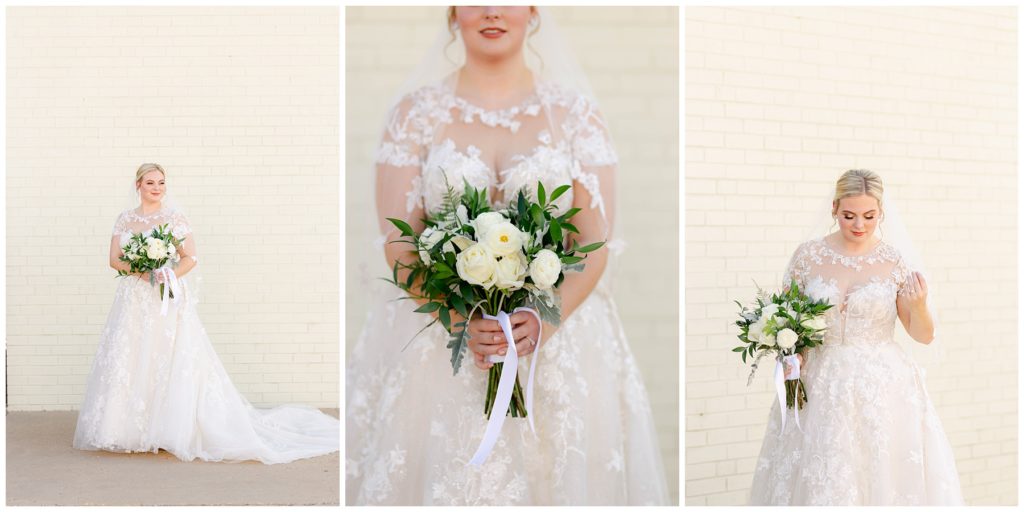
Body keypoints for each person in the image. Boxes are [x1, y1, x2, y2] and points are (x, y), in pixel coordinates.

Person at [346, 6, 669, 506]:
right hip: (440, 340)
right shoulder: (415, 115)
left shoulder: (575, 115)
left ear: (534, 10)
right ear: (453, 11)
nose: (492, 10)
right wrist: (457, 319)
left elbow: (595, 242)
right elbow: (400, 242)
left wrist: (546, 319)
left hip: (557, 339)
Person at [73, 163, 339, 464]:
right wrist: (144, 271)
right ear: (138, 185)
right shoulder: (125, 219)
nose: (157, 188)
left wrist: (167, 273)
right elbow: (114, 260)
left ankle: (168, 428)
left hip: (166, 296)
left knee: (167, 356)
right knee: (134, 354)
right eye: (150, 183)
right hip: (135, 298)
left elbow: (190, 258)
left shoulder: (174, 218)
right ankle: (130, 429)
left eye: (161, 182)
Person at [749, 169, 963, 505]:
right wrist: (792, 353)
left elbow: (923, 335)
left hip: (883, 386)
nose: (859, 225)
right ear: (834, 208)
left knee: (879, 474)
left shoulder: (893, 261)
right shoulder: (808, 257)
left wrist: (919, 305)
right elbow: (788, 321)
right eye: (849, 215)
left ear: (880, 212)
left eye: (869, 216)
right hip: (820, 382)